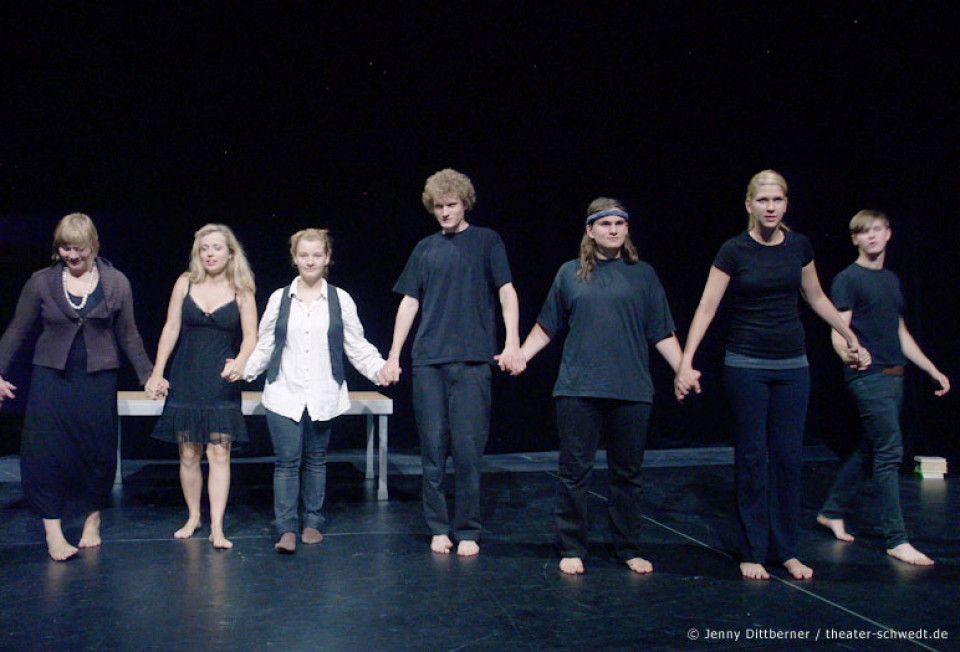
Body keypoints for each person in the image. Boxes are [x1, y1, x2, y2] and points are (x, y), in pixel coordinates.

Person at [674, 170, 866, 581]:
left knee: (788, 459)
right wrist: (686, 360)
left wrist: (849, 334)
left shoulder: (799, 246)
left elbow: (816, 297)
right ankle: (752, 550)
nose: (771, 207)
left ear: (786, 203)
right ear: (749, 204)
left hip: (793, 365)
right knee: (752, 457)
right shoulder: (734, 250)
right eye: (763, 200)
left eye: (777, 200)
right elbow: (707, 307)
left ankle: (786, 550)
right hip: (746, 365)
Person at [517, 198, 683, 575]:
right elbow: (547, 325)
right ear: (590, 230)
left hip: (631, 389)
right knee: (575, 471)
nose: (613, 230)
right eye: (605, 224)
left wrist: (682, 368)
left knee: (628, 474)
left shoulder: (644, 275)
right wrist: (523, 355)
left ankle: (628, 548)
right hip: (579, 387)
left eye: (619, 224)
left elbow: (661, 330)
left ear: (627, 229)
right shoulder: (570, 273)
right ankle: (572, 546)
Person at [380, 168, 525, 556]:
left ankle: (468, 529)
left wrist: (512, 342)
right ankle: (438, 527)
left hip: (473, 359)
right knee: (431, 448)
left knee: (467, 450)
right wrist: (393, 355)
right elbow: (409, 302)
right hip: (429, 360)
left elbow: (506, 292)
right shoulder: (425, 248)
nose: (445, 212)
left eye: (452, 205)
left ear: (465, 204)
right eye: (439, 206)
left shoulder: (487, 241)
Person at [0, 213, 154, 560]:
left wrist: (148, 375)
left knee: (97, 451)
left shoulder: (116, 282)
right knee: (45, 452)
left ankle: (92, 520)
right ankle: (53, 533)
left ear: (93, 245)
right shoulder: (41, 282)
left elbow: (129, 334)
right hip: (51, 377)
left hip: (98, 377)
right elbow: (17, 330)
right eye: (66, 248)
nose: (73, 255)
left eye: (79, 248)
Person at [816, 210, 949, 566]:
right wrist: (848, 354)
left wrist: (931, 368)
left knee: (871, 449)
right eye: (864, 232)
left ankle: (831, 511)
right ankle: (896, 539)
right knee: (890, 451)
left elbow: (900, 332)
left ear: (888, 234)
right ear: (855, 239)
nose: (872, 236)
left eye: (877, 230)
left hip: (895, 375)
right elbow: (838, 329)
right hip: (867, 374)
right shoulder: (848, 279)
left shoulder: (890, 279)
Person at [244, 229, 388, 553]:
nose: (310, 261)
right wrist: (245, 369)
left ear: (327, 258)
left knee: (316, 459)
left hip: (323, 391)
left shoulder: (340, 299)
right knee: (286, 461)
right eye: (304, 255)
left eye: (316, 255)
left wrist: (379, 369)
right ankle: (286, 528)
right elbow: (265, 344)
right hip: (284, 390)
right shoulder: (280, 298)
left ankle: (312, 521)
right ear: (294, 258)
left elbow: (356, 345)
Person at [146, 224, 257, 550]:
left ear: (230, 253)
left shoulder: (242, 289)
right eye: (204, 248)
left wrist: (241, 361)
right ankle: (194, 516)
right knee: (188, 452)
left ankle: (217, 527)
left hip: (220, 379)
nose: (210, 254)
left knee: (219, 453)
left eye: (216, 248)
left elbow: (252, 336)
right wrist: (157, 372)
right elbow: (170, 328)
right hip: (186, 375)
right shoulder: (185, 282)